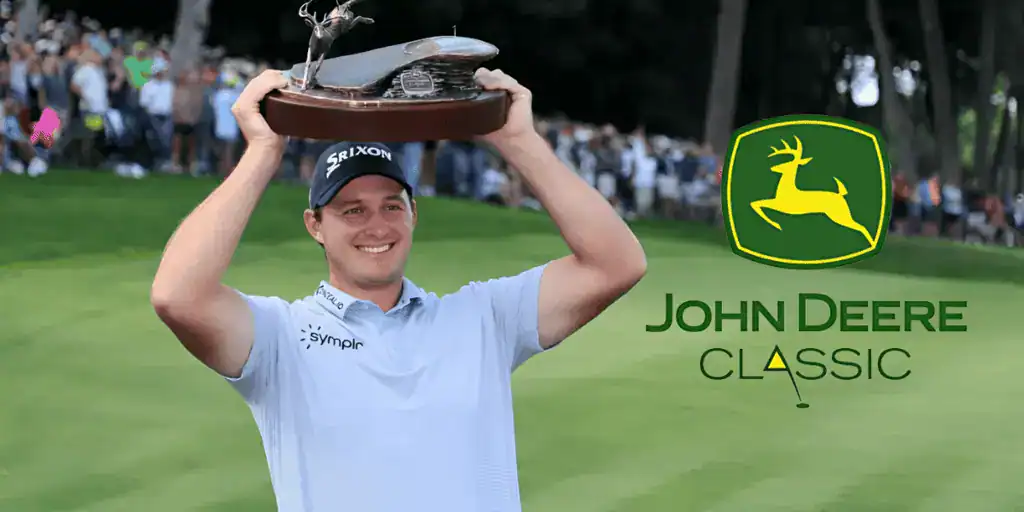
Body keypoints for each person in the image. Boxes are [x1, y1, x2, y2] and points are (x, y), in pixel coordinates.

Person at [150, 68, 647, 511]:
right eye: (352, 210)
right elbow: (178, 296)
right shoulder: (281, 337)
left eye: (392, 205)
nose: (377, 226)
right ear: (315, 225)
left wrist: (520, 141)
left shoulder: (483, 318)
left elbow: (615, 264)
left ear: (413, 215)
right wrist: (263, 152)